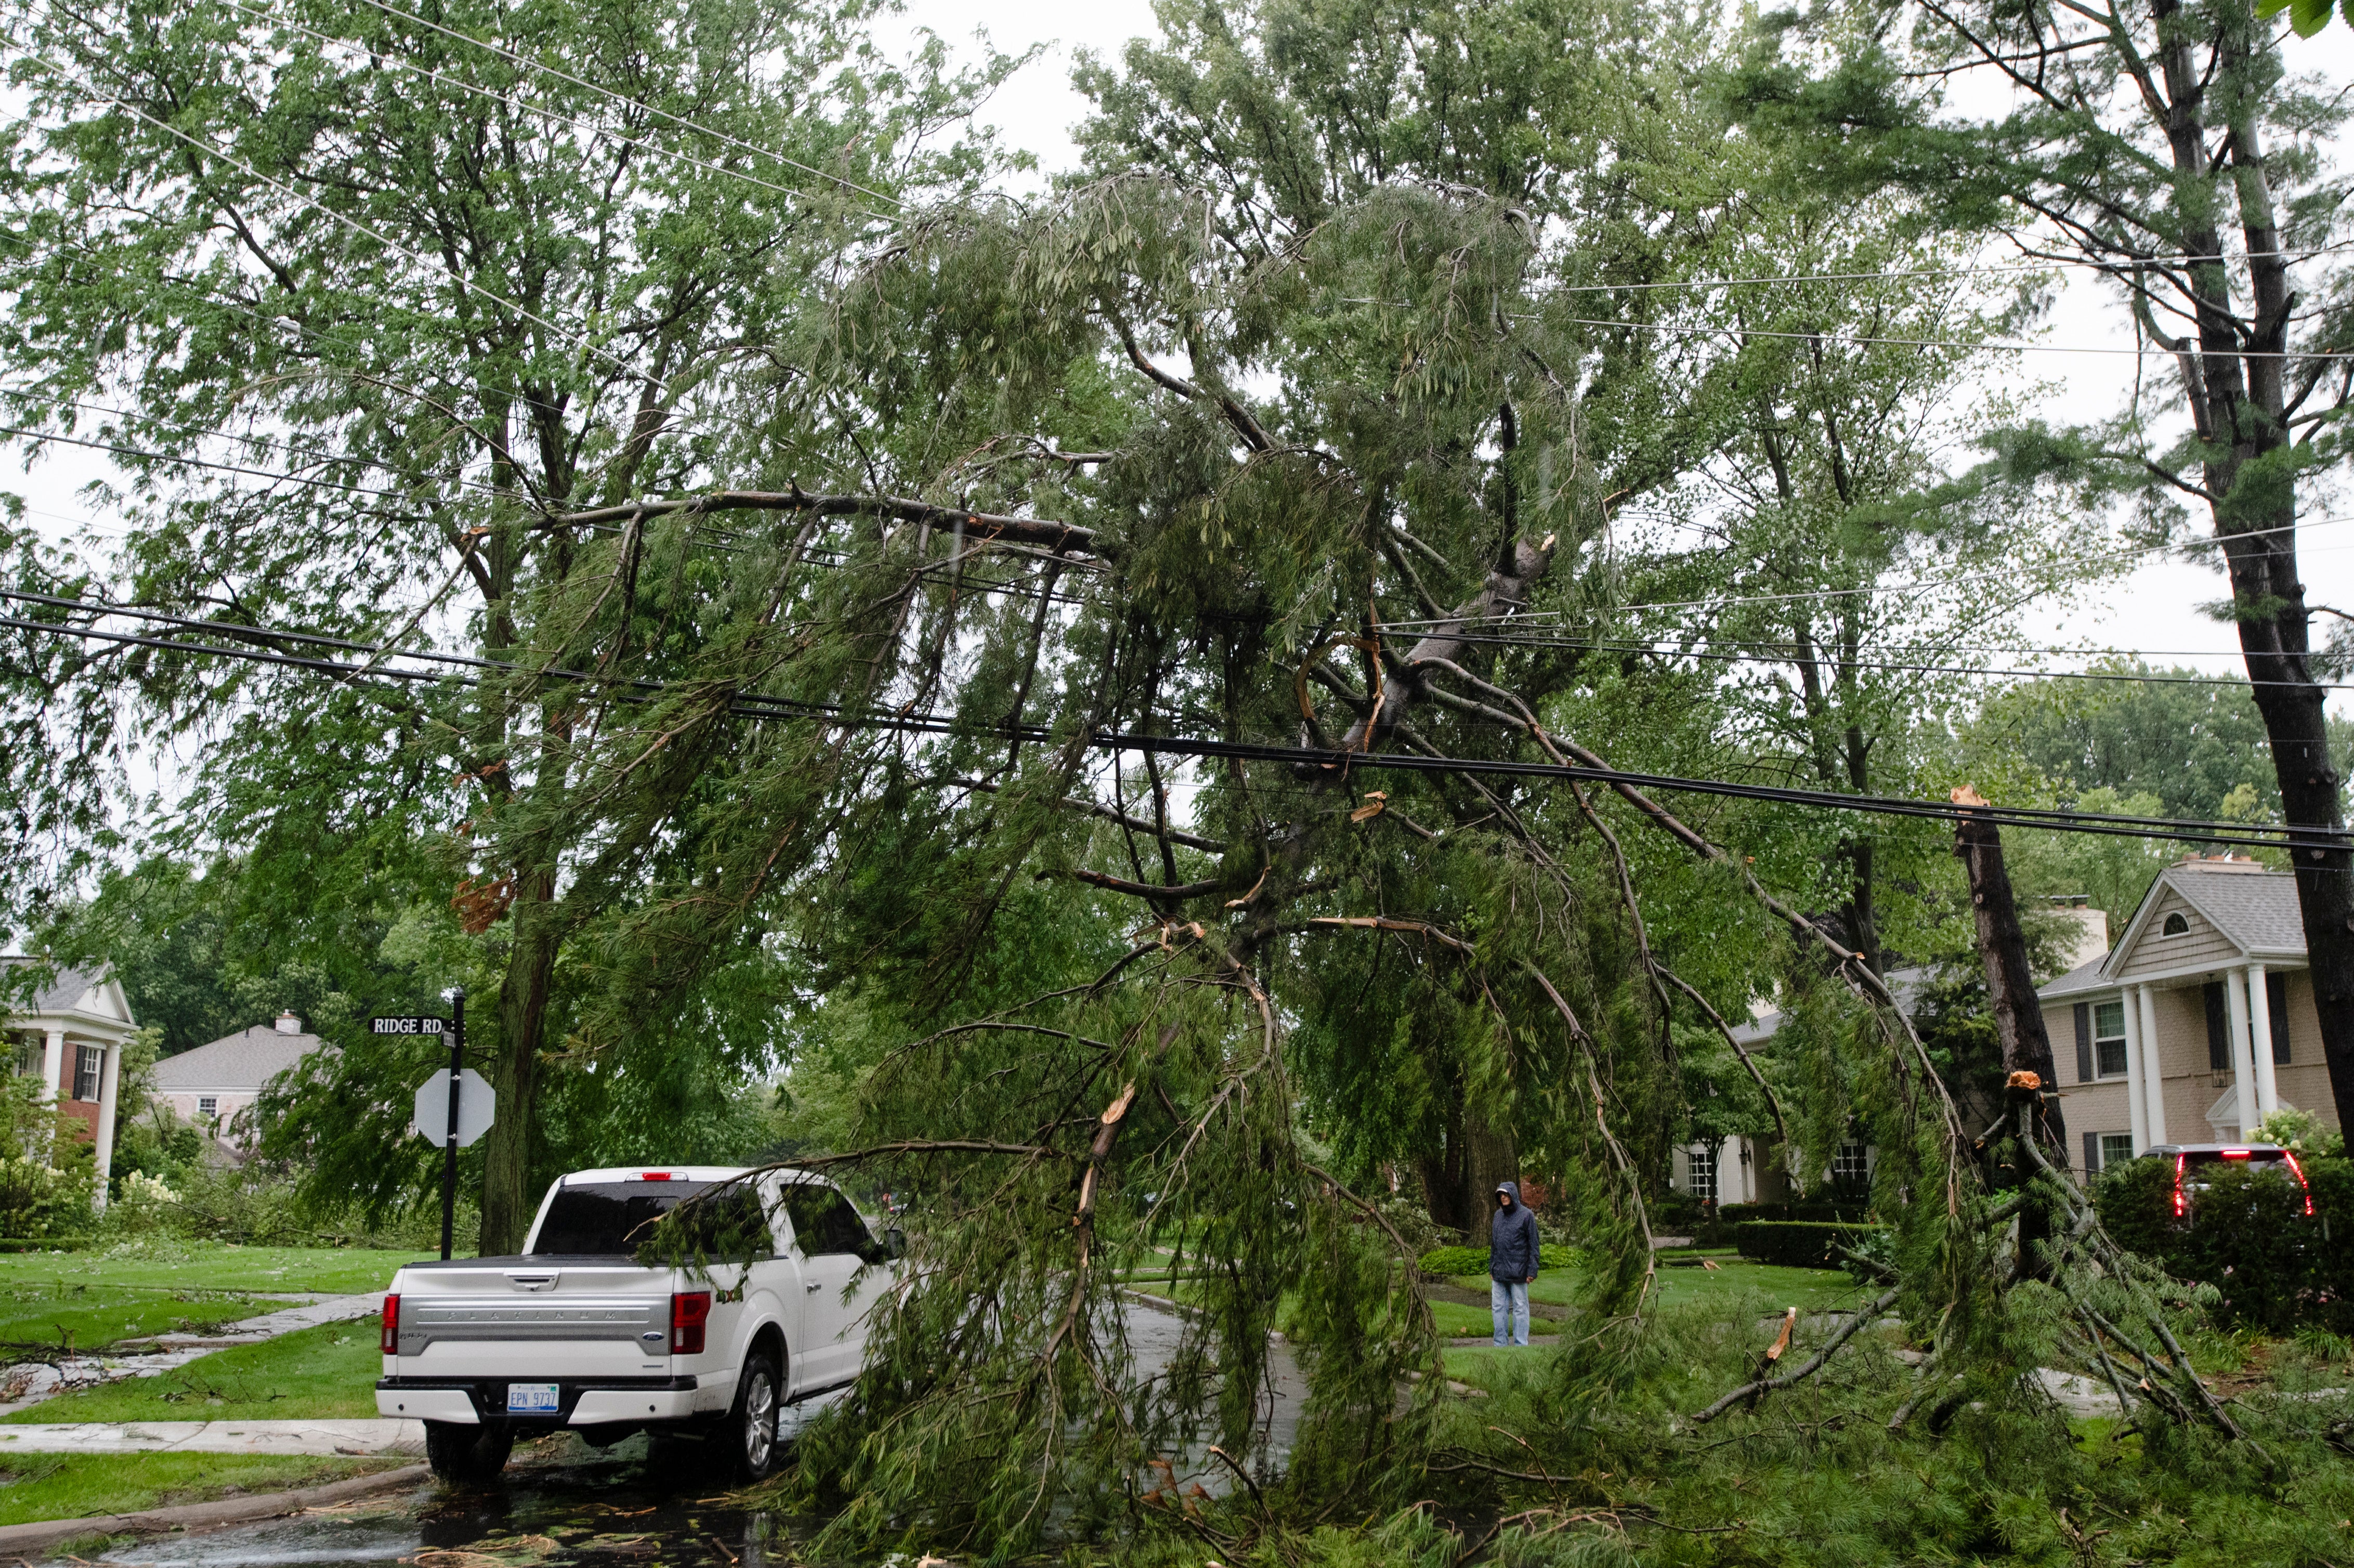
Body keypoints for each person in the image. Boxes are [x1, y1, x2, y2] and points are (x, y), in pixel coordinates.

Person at [1489, 1180, 1539, 1347]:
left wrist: (1532, 1270)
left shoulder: (1527, 1216)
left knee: (1520, 1309)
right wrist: (1492, 1267)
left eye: (1506, 1194)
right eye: (1501, 1195)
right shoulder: (1498, 1216)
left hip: (1519, 1272)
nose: (1503, 1197)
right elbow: (1495, 1244)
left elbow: (1534, 1245)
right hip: (1499, 1272)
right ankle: (1500, 1345)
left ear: (1513, 1195)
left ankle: (1521, 1345)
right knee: (1498, 1308)